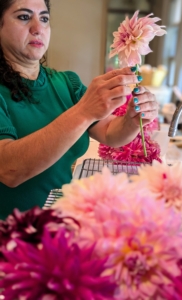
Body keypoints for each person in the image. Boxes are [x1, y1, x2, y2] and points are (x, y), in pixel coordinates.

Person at [0, 0, 158, 220]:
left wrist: (132, 119)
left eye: (44, 18)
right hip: (12, 234)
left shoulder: (66, 83)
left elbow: (109, 131)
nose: (38, 28)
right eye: (24, 17)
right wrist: (84, 111)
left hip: (59, 222)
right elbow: (9, 170)